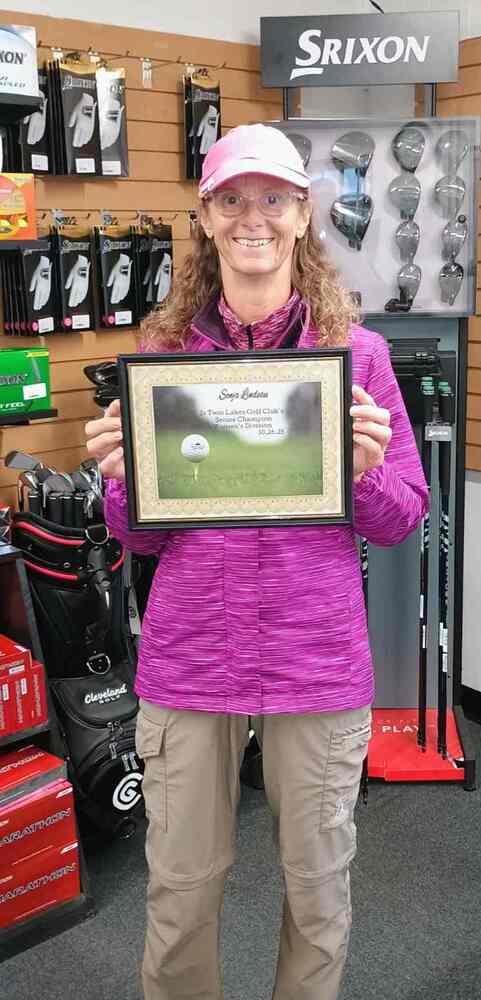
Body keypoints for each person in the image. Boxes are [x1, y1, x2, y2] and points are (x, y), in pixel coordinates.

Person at [85, 123, 428, 1000]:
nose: (253, 217)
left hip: (316, 665)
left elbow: (400, 522)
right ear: (204, 215)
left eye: (273, 197)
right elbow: (143, 537)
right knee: (179, 898)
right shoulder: (163, 359)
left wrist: (359, 475)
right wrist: (122, 484)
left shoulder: (360, 358)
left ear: (301, 212)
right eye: (232, 198)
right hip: (190, 660)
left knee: (318, 898)